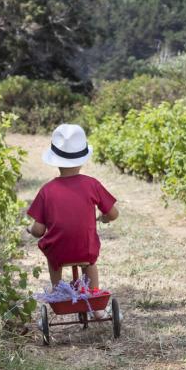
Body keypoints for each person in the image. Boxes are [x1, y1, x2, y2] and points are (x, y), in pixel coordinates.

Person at [26, 124, 119, 294]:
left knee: (53, 257)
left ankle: (58, 291)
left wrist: (30, 229)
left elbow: (39, 230)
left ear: (55, 159)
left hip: (59, 251)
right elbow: (113, 214)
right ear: (82, 159)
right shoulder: (92, 184)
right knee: (89, 263)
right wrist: (104, 218)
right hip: (85, 248)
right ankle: (94, 297)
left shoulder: (47, 190)